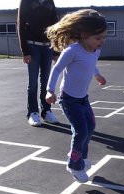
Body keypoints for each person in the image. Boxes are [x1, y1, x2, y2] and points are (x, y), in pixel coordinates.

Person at [45, 9, 107, 183]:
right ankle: (74, 164)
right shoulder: (72, 51)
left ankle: (81, 156)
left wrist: (98, 75)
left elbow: (92, 64)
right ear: (84, 35)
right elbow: (57, 69)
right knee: (80, 132)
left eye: (104, 37)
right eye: (98, 38)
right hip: (68, 99)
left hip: (83, 98)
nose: (101, 42)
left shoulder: (95, 51)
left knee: (91, 127)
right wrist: (50, 90)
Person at [17, 0, 59, 127]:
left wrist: (56, 50)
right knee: (33, 82)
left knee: (46, 81)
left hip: (48, 47)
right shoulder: (26, 2)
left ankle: (46, 111)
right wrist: (25, 51)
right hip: (32, 46)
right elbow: (21, 25)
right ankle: (33, 112)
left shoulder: (50, 2)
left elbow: (56, 25)